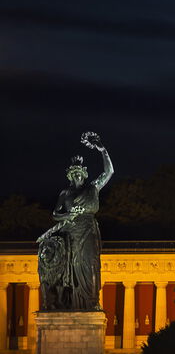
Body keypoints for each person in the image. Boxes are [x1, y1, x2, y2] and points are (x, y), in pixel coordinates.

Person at [37, 132, 113, 311]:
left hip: (88, 230)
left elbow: (109, 172)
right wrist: (68, 216)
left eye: (80, 173)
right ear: (71, 176)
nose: (78, 175)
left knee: (90, 264)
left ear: (84, 175)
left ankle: (91, 301)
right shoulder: (65, 194)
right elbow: (56, 214)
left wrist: (102, 150)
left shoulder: (93, 187)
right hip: (71, 233)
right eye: (75, 173)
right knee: (71, 268)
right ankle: (71, 302)